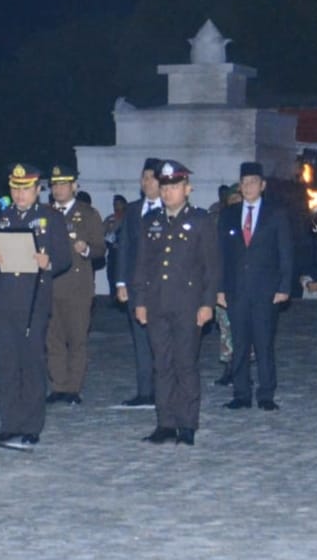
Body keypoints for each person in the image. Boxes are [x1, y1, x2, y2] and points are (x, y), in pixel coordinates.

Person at [0, 163, 71, 446]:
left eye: (26, 189)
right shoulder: (1, 219)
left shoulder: (50, 218)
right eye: (15, 189)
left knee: (31, 365)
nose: (20, 195)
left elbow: (64, 257)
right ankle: (9, 424)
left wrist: (49, 263)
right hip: (3, 303)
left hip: (33, 303)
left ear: (37, 190)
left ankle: (31, 426)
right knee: (7, 367)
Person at [132, 160, 219, 446]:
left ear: (187, 189)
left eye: (174, 187)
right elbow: (142, 264)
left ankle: (187, 423)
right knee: (162, 364)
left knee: (185, 364)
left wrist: (207, 303)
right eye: (165, 187)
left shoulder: (201, 220)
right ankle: (165, 422)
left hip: (188, 305)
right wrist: (140, 300)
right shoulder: (151, 221)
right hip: (157, 304)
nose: (168, 192)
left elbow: (211, 266)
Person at [219, 162, 293, 411]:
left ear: (262, 185)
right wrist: (219, 289)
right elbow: (221, 254)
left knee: (264, 343)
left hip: (266, 290)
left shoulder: (276, 213)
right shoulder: (229, 214)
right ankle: (241, 392)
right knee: (239, 344)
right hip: (236, 290)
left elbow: (285, 251)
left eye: (253, 182)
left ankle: (266, 394)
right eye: (244, 182)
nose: (248, 186)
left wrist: (284, 285)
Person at [44, 165, 105, 406]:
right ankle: (58, 385)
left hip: (77, 287)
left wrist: (86, 249)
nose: (58, 189)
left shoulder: (87, 214)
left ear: (74, 187)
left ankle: (73, 387)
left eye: (63, 184)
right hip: (50, 285)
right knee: (53, 339)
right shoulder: (45, 213)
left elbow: (100, 249)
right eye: (55, 185)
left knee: (77, 339)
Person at [113, 158, 162, 407]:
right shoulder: (133, 210)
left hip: (162, 285)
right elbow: (124, 248)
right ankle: (145, 391)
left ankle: (164, 390)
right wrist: (121, 282)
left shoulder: (170, 207)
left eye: (151, 177)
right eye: (143, 177)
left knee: (162, 340)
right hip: (136, 284)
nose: (146, 182)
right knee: (141, 339)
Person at [211, 183, 241, 385]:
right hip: (223, 283)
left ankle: (240, 369)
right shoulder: (219, 221)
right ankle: (229, 368)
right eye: (233, 200)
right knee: (225, 329)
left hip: (245, 284)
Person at [103, 194, 127, 299]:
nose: (116, 206)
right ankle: (113, 296)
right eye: (114, 204)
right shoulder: (110, 219)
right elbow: (101, 233)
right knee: (111, 274)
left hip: (126, 252)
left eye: (118, 204)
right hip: (113, 251)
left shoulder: (129, 218)